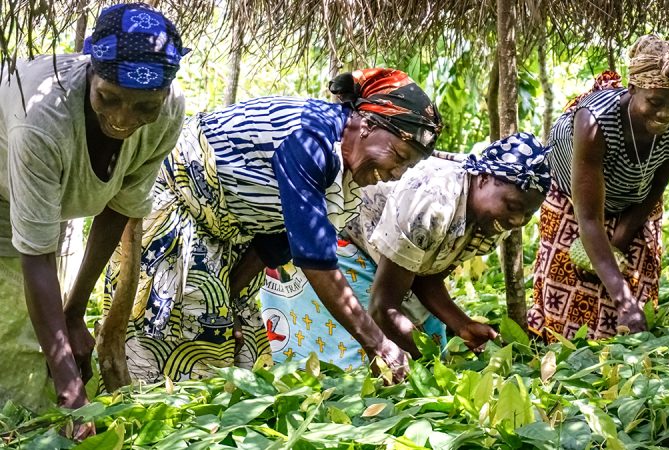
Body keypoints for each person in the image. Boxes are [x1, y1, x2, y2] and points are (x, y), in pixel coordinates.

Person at [105, 68, 443, 383]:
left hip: (228, 232)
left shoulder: (342, 174)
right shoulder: (310, 140)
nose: (396, 173)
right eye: (398, 156)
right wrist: (377, 343)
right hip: (179, 203)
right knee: (178, 338)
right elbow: (315, 259)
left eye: (406, 167)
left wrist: (230, 299)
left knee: (237, 344)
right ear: (367, 124)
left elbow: (273, 243)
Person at [0, 3, 187, 415]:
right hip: (1, 194)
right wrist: (69, 386)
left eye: (144, 108)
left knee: (51, 344)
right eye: (109, 98)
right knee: (15, 339)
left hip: (37, 193)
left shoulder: (170, 110)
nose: (122, 120)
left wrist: (74, 312)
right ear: (91, 73)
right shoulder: (42, 120)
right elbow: (36, 253)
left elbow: (120, 206)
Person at [262, 132, 550, 368]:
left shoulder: (491, 220)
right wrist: (434, 368)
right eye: (512, 207)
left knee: (420, 349)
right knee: (352, 365)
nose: (517, 220)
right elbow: (383, 306)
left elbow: (427, 274)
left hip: (394, 266)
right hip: (351, 245)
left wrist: (462, 325)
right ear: (485, 179)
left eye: (527, 214)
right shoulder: (434, 205)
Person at [527, 35, 669, 342]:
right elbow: (589, 219)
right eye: (656, 102)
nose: (666, 114)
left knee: (630, 290)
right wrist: (622, 300)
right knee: (569, 304)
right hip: (574, 201)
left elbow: (656, 187)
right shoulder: (595, 123)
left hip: (635, 202)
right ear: (632, 90)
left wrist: (618, 242)